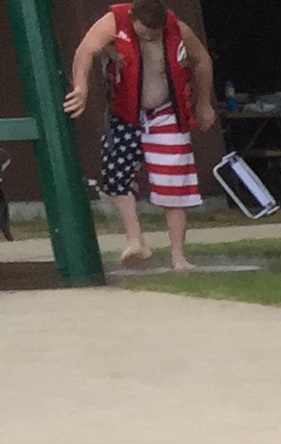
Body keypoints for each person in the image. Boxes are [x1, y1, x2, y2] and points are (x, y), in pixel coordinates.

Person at [62, 0, 216, 273]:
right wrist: (81, 88)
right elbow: (86, 50)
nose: (149, 39)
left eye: (155, 35)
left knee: (174, 184)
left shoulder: (177, 28)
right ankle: (135, 240)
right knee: (116, 171)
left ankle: (179, 258)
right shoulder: (112, 23)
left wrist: (204, 103)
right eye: (144, 34)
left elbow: (202, 60)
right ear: (133, 20)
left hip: (166, 111)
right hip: (126, 110)